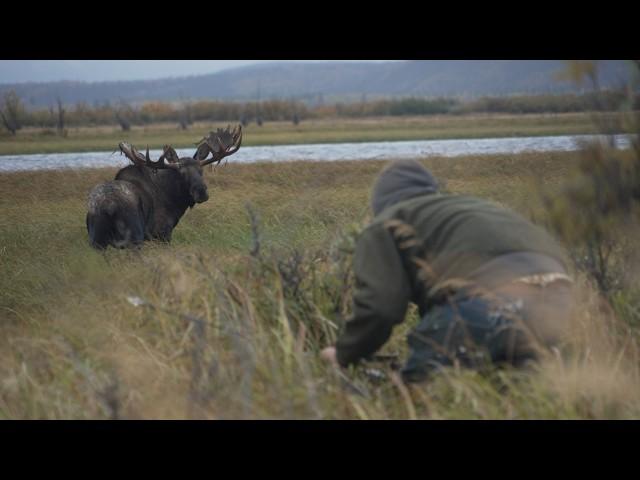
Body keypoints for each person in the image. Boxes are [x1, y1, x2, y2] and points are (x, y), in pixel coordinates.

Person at [321, 159, 575, 383]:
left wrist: (344, 354)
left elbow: (380, 308)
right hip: (560, 297)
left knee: (422, 389)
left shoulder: (387, 222)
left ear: (380, 203)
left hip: (494, 300)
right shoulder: (463, 208)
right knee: (513, 386)